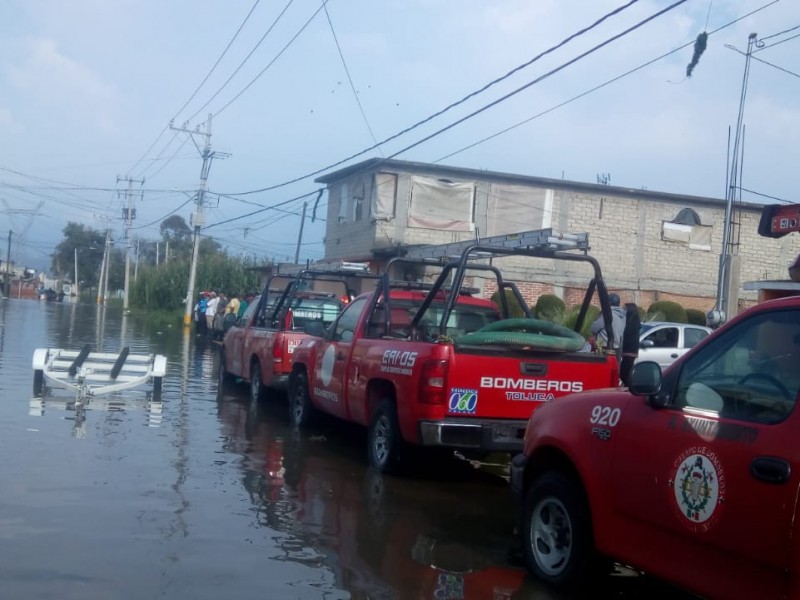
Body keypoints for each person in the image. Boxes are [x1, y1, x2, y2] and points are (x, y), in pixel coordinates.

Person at [590, 293, 626, 361]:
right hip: (616, 349)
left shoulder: (607, 314)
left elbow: (594, 328)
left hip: (604, 348)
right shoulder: (623, 316)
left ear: (608, 303)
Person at [620, 302, 641, 386]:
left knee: (624, 373)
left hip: (630, 350)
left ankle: (630, 387)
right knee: (625, 372)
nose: (623, 310)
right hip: (629, 350)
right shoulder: (633, 319)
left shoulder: (633, 321)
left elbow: (626, 333)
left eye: (625, 309)